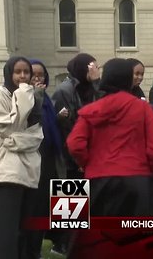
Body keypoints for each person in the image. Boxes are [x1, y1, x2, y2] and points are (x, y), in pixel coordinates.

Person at [67, 58, 153, 216]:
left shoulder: (91, 109)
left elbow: (75, 143)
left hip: (99, 178)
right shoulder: (142, 108)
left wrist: (87, 163)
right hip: (136, 176)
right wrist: (150, 169)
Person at [0, 56, 44, 259]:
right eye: (18, 72)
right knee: (2, 232)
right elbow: (11, 127)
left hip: (26, 170)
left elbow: (37, 136)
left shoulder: (34, 97)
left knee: (21, 228)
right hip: (2, 173)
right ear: (9, 73)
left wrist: (18, 140)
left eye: (27, 72)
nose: (23, 76)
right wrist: (25, 91)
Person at [50, 53, 100, 254]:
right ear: (83, 68)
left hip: (86, 152)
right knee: (70, 198)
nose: (96, 71)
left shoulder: (88, 88)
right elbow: (67, 126)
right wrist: (76, 156)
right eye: (93, 67)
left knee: (86, 200)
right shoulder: (66, 90)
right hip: (70, 153)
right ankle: (61, 244)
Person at [24, 59, 64, 259]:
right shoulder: (25, 96)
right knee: (36, 207)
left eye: (41, 75)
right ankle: (33, 249)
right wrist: (37, 94)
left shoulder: (46, 97)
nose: (38, 78)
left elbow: (48, 124)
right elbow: (31, 121)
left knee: (56, 205)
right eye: (34, 74)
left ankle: (61, 243)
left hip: (52, 157)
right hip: (35, 159)